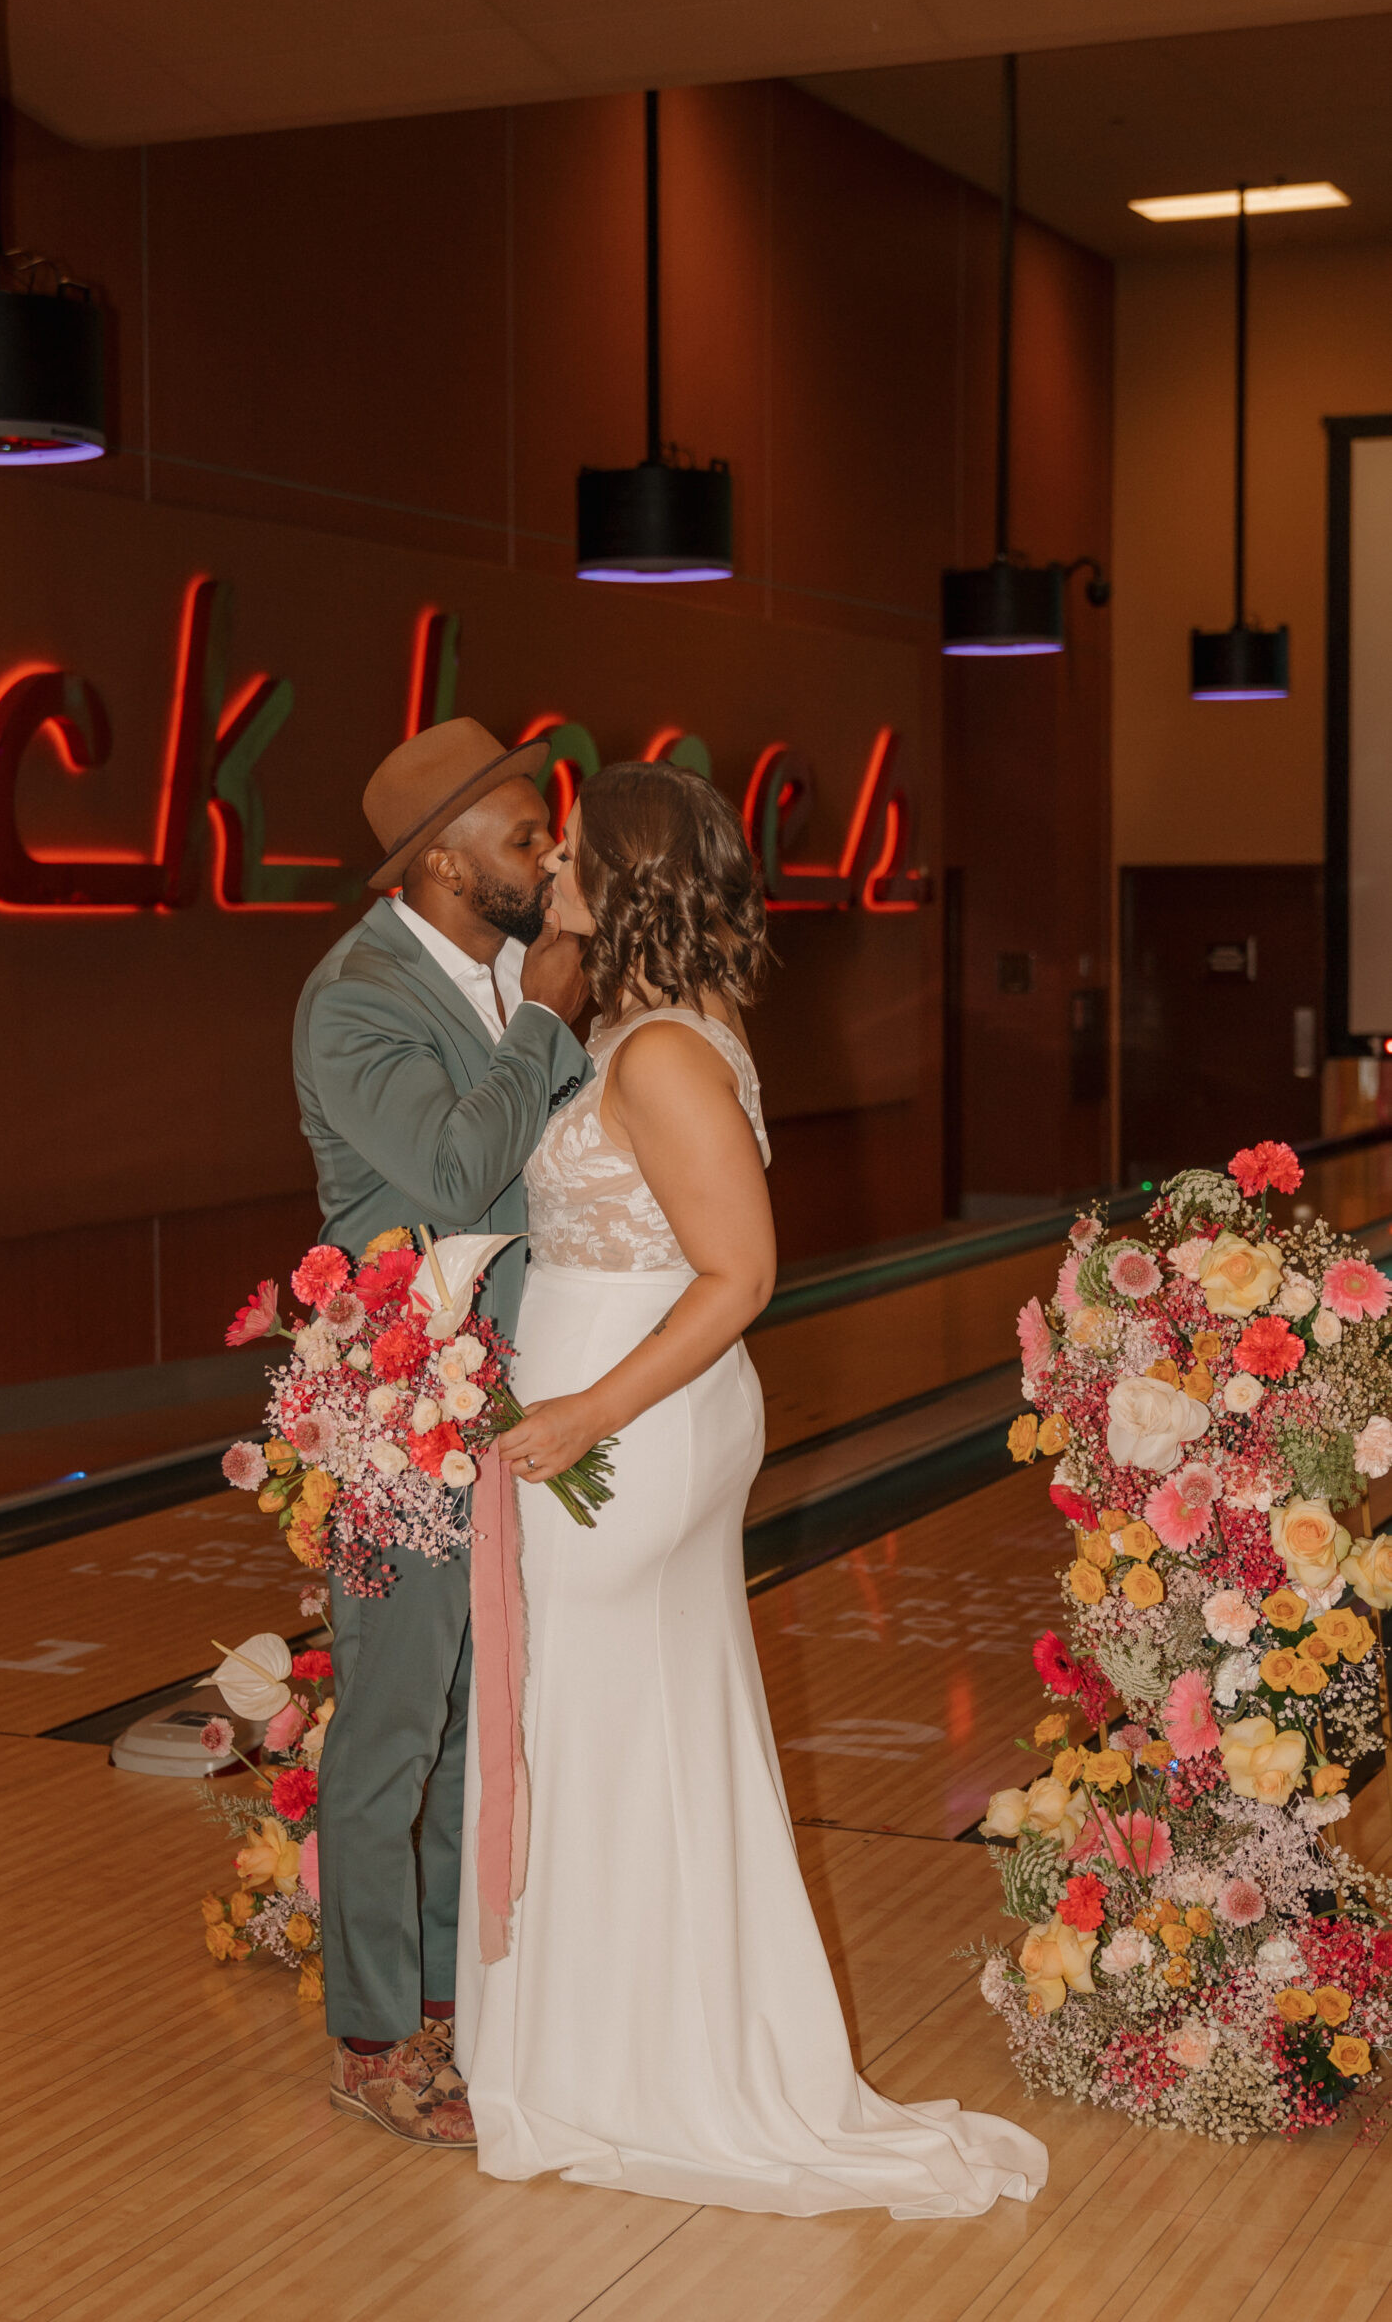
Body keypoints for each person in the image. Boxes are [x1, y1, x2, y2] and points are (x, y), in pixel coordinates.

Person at [455, 760, 1047, 2220]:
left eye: (581, 853)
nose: (556, 869)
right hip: (625, 1415)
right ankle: (630, 2051)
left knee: (598, 1729)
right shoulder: (671, 1025)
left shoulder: (660, 1054)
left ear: (637, 881)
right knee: (629, 1732)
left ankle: (633, 2069)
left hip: (622, 1426)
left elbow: (744, 1273)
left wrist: (581, 1408)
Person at [293, 716, 591, 2149]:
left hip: (523, 1404)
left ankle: (463, 2012)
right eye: (527, 834)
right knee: (396, 1731)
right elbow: (463, 1177)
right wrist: (546, 1016)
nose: (550, 852)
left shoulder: (505, 981)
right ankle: (372, 2034)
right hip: (406, 1412)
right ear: (439, 859)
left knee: (487, 1726)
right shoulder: (354, 1000)